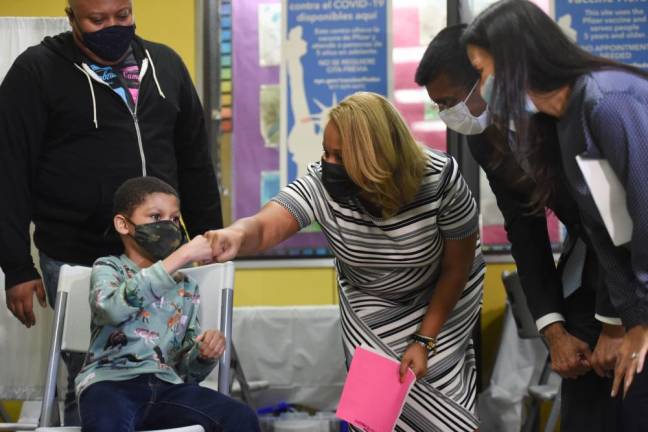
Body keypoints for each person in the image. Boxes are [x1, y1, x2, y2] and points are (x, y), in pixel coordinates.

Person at [206, 92, 485, 431]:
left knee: (443, 411)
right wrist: (236, 235)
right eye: (326, 152)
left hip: (441, 298)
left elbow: (458, 267)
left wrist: (425, 339)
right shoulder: (321, 183)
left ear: (375, 157)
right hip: (369, 304)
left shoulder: (440, 179)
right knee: (375, 417)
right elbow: (267, 226)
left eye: (341, 155)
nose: (329, 163)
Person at [0, 0, 222, 424]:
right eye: (97, 20)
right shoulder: (36, 72)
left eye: (122, 15)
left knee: (167, 368)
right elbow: (8, 169)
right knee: (90, 377)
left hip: (164, 256)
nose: (112, 27)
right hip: (77, 253)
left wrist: (210, 237)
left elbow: (195, 161)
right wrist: (15, 265)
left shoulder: (166, 66)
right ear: (71, 17)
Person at [415, 24, 626, 431]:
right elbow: (524, 228)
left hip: (633, 264)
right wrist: (553, 330)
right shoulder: (483, 136)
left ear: (485, 76)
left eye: (448, 102)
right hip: (587, 265)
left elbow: (617, 222)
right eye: (437, 107)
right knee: (583, 397)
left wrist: (615, 324)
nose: (446, 116)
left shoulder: (572, 110)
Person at [463, 0, 648, 427]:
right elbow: (603, 233)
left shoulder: (606, 100)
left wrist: (635, 324)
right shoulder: (560, 122)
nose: (482, 88)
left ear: (514, 60)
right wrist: (626, 318)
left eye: (482, 70)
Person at [76, 176, 259, 432]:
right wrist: (181, 255)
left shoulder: (186, 287)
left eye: (174, 219)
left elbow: (187, 374)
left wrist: (204, 355)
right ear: (123, 224)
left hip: (168, 389)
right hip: (110, 383)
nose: (169, 226)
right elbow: (111, 309)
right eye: (155, 216)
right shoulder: (109, 267)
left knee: (239, 417)